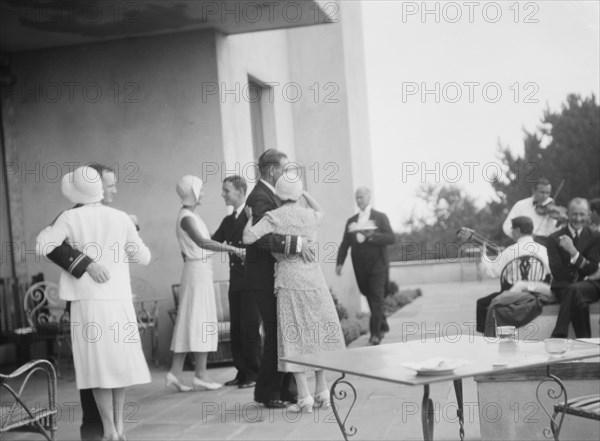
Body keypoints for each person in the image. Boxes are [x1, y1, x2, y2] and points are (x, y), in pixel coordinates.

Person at [36, 166, 151, 441]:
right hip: (119, 300)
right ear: (100, 187)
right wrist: (130, 229)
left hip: (88, 302)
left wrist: (84, 261)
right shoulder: (121, 217)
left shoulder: (69, 217)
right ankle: (120, 427)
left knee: (97, 368)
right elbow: (144, 257)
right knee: (118, 365)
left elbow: (43, 245)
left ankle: (109, 429)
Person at [243, 176, 346, 412]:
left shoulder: (274, 216)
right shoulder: (310, 215)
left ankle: (304, 396)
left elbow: (248, 238)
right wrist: (306, 195)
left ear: (278, 195)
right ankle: (322, 390)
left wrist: (249, 220)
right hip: (314, 278)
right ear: (298, 194)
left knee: (293, 336)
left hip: (289, 280)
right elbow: (321, 211)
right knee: (315, 332)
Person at [45, 163, 122, 441]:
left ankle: (114, 429)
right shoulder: (71, 216)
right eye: (107, 184)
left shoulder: (111, 215)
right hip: (86, 305)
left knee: (113, 366)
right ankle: (94, 431)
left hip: (110, 304)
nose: (112, 189)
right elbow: (49, 245)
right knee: (93, 369)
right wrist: (87, 264)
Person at [245, 148, 314, 409]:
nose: (286, 175)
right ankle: (268, 392)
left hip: (272, 274)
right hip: (263, 275)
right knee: (276, 331)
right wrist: (296, 243)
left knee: (281, 331)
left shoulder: (269, 195)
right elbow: (261, 237)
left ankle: (284, 390)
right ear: (272, 170)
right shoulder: (260, 197)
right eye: (284, 170)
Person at [166, 175, 245, 392]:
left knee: (193, 319)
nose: (203, 193)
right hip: (196, 273)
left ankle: (176, 372)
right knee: (199, 320)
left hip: (200, 271)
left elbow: (206, 240)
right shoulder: (186, 217)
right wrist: (233, 249)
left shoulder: (191, 216)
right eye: (200, 190)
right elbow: (204, 242)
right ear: (191, 192)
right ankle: (199, 375)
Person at [211, 175, 261, 389]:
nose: (223, 194)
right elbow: (213, 242)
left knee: (250, 327)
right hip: (236, 281)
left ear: (240, 192)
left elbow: (259, 243)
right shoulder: (228, 220)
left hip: (251, 280)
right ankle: (242, 371)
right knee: (237, 328)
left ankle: (254, 373)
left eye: (227, 190)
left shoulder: (253, 216)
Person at [463, 216, 551, 334]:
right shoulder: (543, 250)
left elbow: (492, 271)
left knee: (481, 303)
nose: (511, 233)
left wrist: (483, 255)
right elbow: (552, 272)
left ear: (518, 230)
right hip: (537, 295)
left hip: (512, 294)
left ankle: (487, 336)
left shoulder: (509, 251)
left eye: (512, 229)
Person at [336, 187, 395, 346]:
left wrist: (373, 236)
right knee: (370, 297)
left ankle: (375, 333)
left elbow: (391, 238)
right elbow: (345, 244)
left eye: (361, 197)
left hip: (378, 266)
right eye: (357, 197)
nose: (359, 200)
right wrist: (339, 263)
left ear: (369, 197)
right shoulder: (352, 221)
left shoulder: (380, 217)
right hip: (361, 268)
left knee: (376, 298)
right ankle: (382, 324)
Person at [548, 198, 600, 338]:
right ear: (568, 214)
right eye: (574, 214)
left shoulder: (595, 237)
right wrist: (584, 266)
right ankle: (585, 345)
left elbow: (593, 268)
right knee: (578, 299)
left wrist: (573, 252)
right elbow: (558, 274)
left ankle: (558, 336)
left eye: (582, 214)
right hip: (564, 286)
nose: (578, 218)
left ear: (588, 215)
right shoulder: (554, 238)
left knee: (575, 290)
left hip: (589, 287)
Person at [502, 177, 559, 246]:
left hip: (544, 245)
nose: (545, 196)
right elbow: (507, 226)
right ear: (534, 191)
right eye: (542, 192)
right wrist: (521, 237)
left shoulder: (552, 207)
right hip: (523, 244)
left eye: (547, 193)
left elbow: (552, 232)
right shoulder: (521, 205)